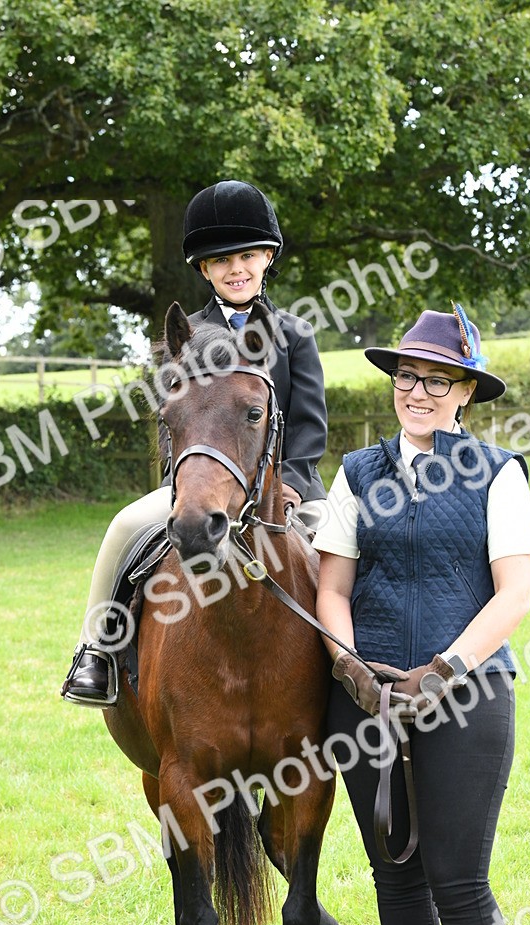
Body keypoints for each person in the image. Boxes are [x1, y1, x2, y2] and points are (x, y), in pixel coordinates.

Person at [314, 305, 530, 925]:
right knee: (395, 874)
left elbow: (514, 595)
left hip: (467, 696)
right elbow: (331, 587)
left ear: (465, 393)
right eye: (407, 377)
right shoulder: (356, 473)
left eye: (437, 381)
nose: (417, 391)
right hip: (366, 699)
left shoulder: (497, 474)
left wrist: (444, 670)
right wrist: (348, 664)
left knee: (458, 879)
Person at [63, 179, 328, 705]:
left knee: (352, 542)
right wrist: (184, 484)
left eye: (247, 256)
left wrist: (293, 486)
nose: (236, 269)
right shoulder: (183, 334)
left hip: (285, 490)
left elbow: (309, 425)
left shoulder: (294, 334)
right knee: (124, 527)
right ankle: (96, 651)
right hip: (200, 483)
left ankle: (359, 662)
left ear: (268, 257)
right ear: (204, 270)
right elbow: (173, 426)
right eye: (221, 261)